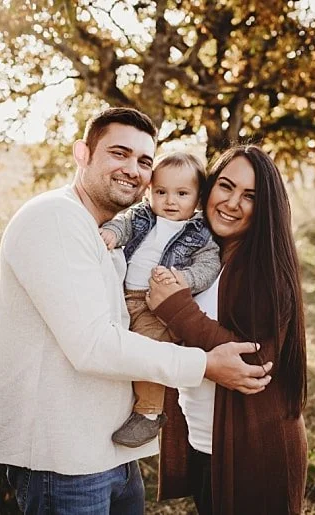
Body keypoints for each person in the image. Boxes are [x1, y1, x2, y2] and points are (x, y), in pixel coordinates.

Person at [0, 107, 272, 514]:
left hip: (112, 453)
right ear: (82, 153)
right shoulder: (56, 217)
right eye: (118, 153)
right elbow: (92, 344)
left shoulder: (110, 231)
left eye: (144, 160)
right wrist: (203, 364)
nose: (132, 169)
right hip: (64, 463)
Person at [145, 145, 308, 515]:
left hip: (253, 453)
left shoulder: (264, 269)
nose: (232, 203)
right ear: (208, 188)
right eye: (226, 186)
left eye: (249, 196)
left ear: (265, 206)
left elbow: (255, 363)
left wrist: (177, 310)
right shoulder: (207, 254)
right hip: (207, 444)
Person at [100, 151, 221, 448]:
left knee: (148, 351)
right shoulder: (142, 216)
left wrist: (185, 280)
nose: (170, 201)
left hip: (155, 305)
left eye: (182, 194)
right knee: (114, 347)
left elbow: (208, 265)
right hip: (122, 295)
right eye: (161, 192)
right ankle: (116, 403)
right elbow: (123, 223)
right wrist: (112, 233)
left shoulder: (200, 232)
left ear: (197, 198)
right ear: (150, 191)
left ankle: (149, 413)